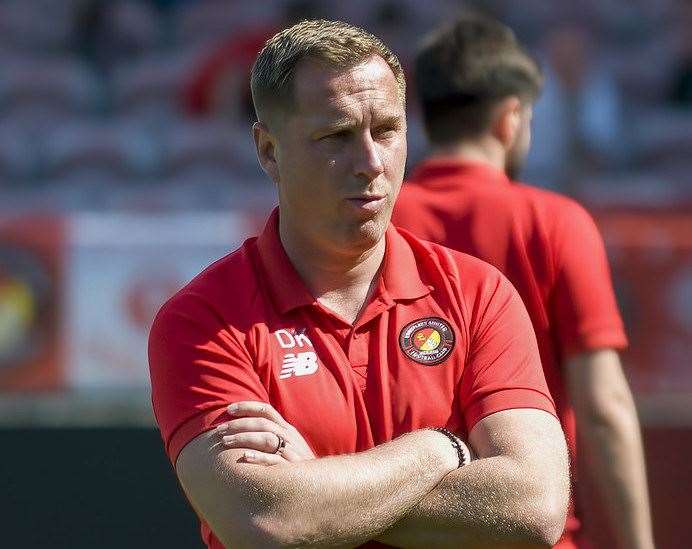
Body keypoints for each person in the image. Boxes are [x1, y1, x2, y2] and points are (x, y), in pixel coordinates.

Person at [149, 19, 569, 549]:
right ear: (269, 151)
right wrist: (439, 451)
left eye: (387, 130)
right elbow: (266, 523)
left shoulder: (479, 293)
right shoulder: (202, 321)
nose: (371, 162)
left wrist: (318, 489)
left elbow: (535, 505)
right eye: (337, 136)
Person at [392, 13, 654, 549]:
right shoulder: (555, 222)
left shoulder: (374, 225)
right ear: (510, 119)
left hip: (400, 529)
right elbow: (603, 406)